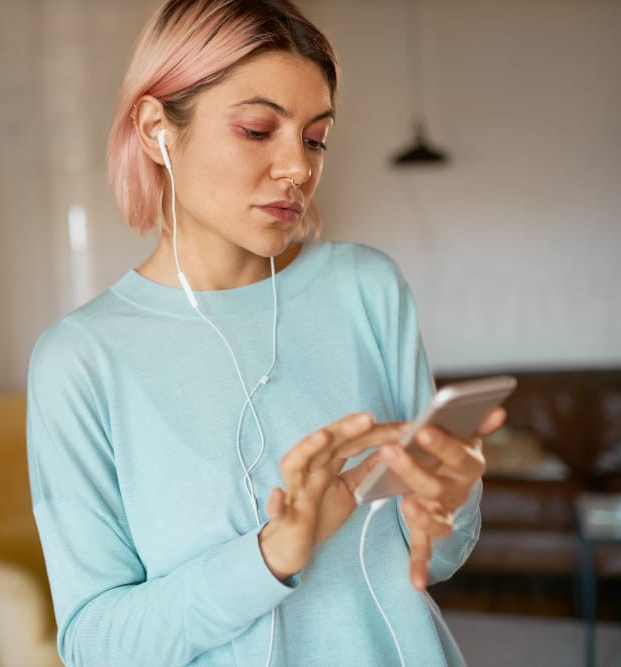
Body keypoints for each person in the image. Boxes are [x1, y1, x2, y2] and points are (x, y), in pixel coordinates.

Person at [26, 1, 504, 665]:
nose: (298, 169)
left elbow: (434, 557)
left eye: (315, 138)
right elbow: (95, 644)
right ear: (158, 128)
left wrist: (452, 499)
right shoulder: (78, 361)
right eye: (258, 130)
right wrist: (273, 553)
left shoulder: (366, 289)